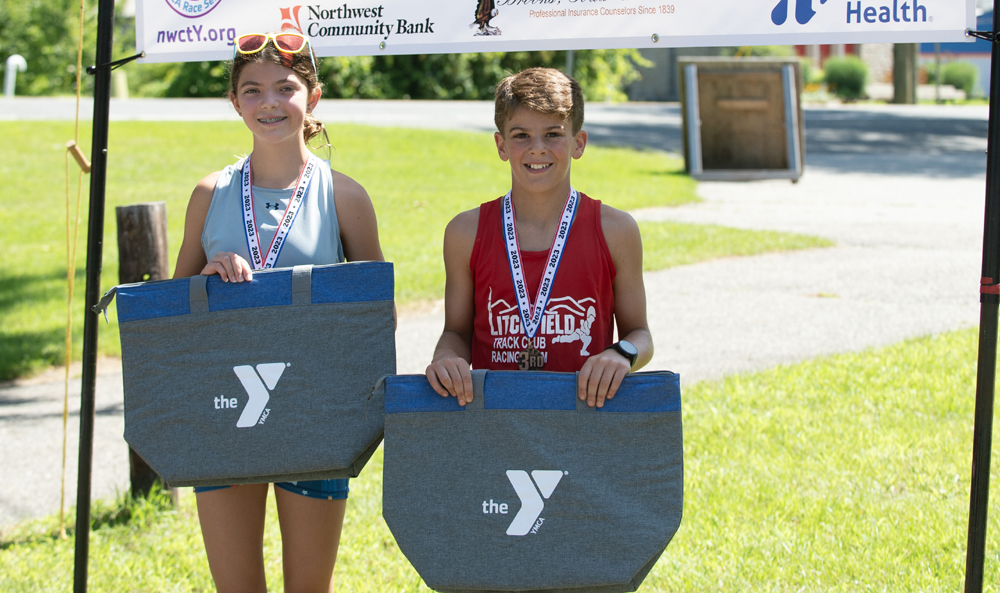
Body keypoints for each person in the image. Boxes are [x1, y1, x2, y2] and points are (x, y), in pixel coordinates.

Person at [173, 30, 386, 593]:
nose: (269, 103)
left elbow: (374, 320)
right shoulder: (209, 192)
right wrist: (205, 278)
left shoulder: (345, 196)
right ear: (235, 102)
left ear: (312, 96)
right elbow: (173, 319)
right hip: (224, 414)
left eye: (285, 88)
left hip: (313, 415)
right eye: (252, 90)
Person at [425, 67, 652, 408]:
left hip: (583, 415)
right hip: (496, 419)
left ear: (579, 143)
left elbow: (640, 335)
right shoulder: (465, 232)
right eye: (521, 136)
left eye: (552, 134)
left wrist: (622, 353)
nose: (537, 149)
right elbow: (456, 333)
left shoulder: (616, 230)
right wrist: (446, 358)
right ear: (501, 145)